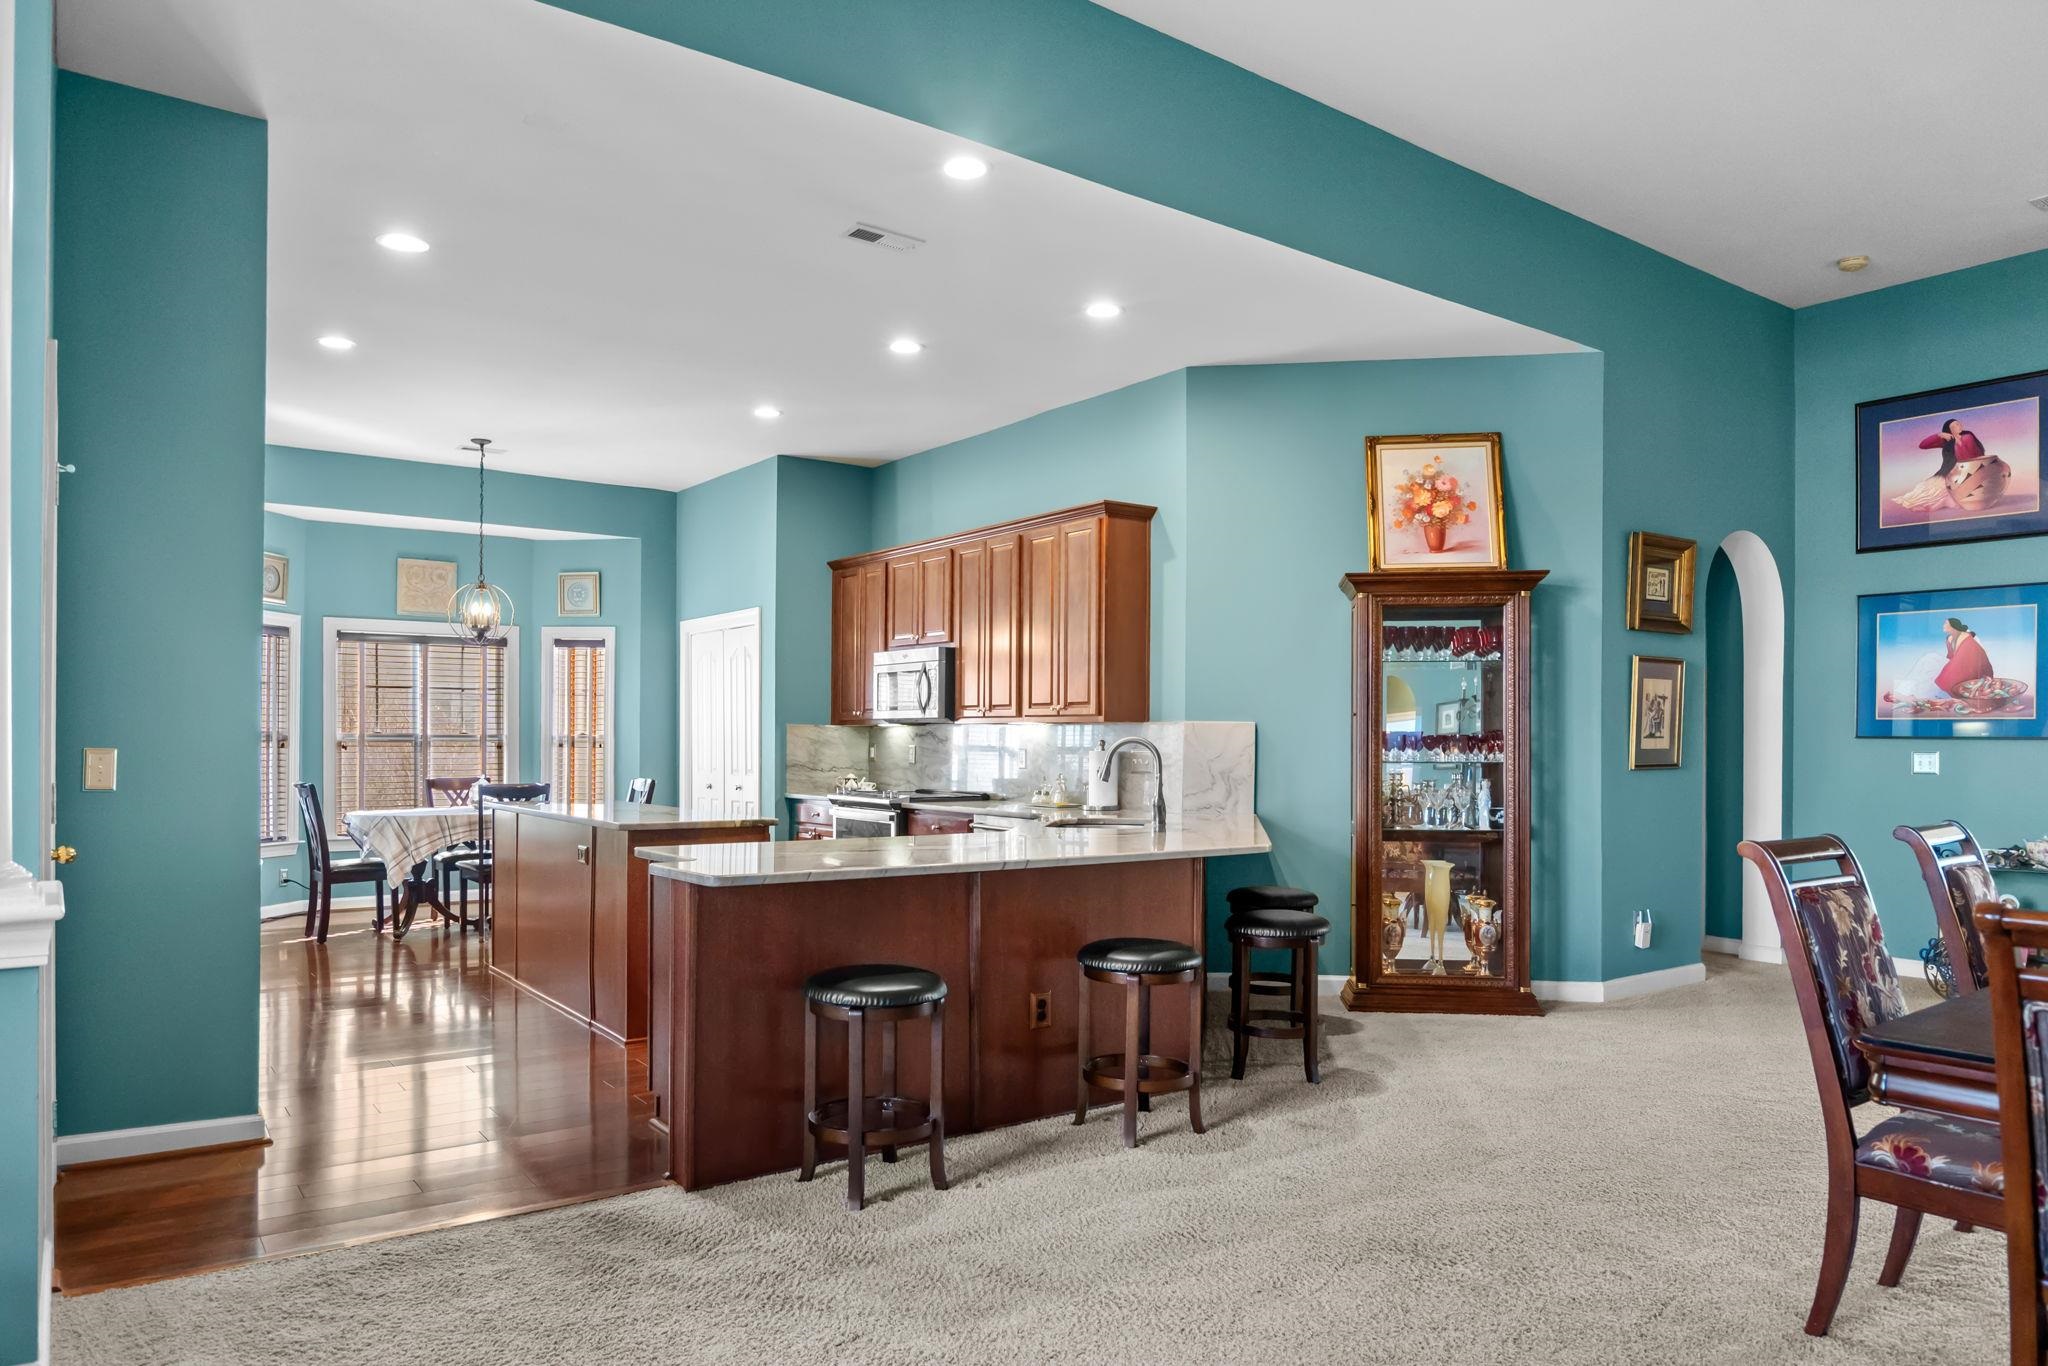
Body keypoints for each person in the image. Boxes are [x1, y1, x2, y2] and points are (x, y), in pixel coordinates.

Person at [1893, 418, 1986, 511]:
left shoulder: (1968, 437)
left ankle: (1943, 502)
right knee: (1927, 490)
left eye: (1958, 424)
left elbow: (1971, 456)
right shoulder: (1947, 440)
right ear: (1949, 430)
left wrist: (1959, 443)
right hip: (1948, 472)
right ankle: (1941, 502)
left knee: (1954, 494)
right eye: (1954, 425)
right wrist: (1939, 435)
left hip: (1967, 471)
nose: (1959, 426)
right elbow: (1923, 445)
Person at [1933, 617, 1994, 696]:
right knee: (1945, 677)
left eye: (1946, 623)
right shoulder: (1949, 639)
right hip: (1962, 662)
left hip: (1974, 665)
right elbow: (1952, 655)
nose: (1943, 625)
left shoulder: (1966, 636)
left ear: (1953, 626)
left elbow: (1973, 654)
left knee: (1949, 676)